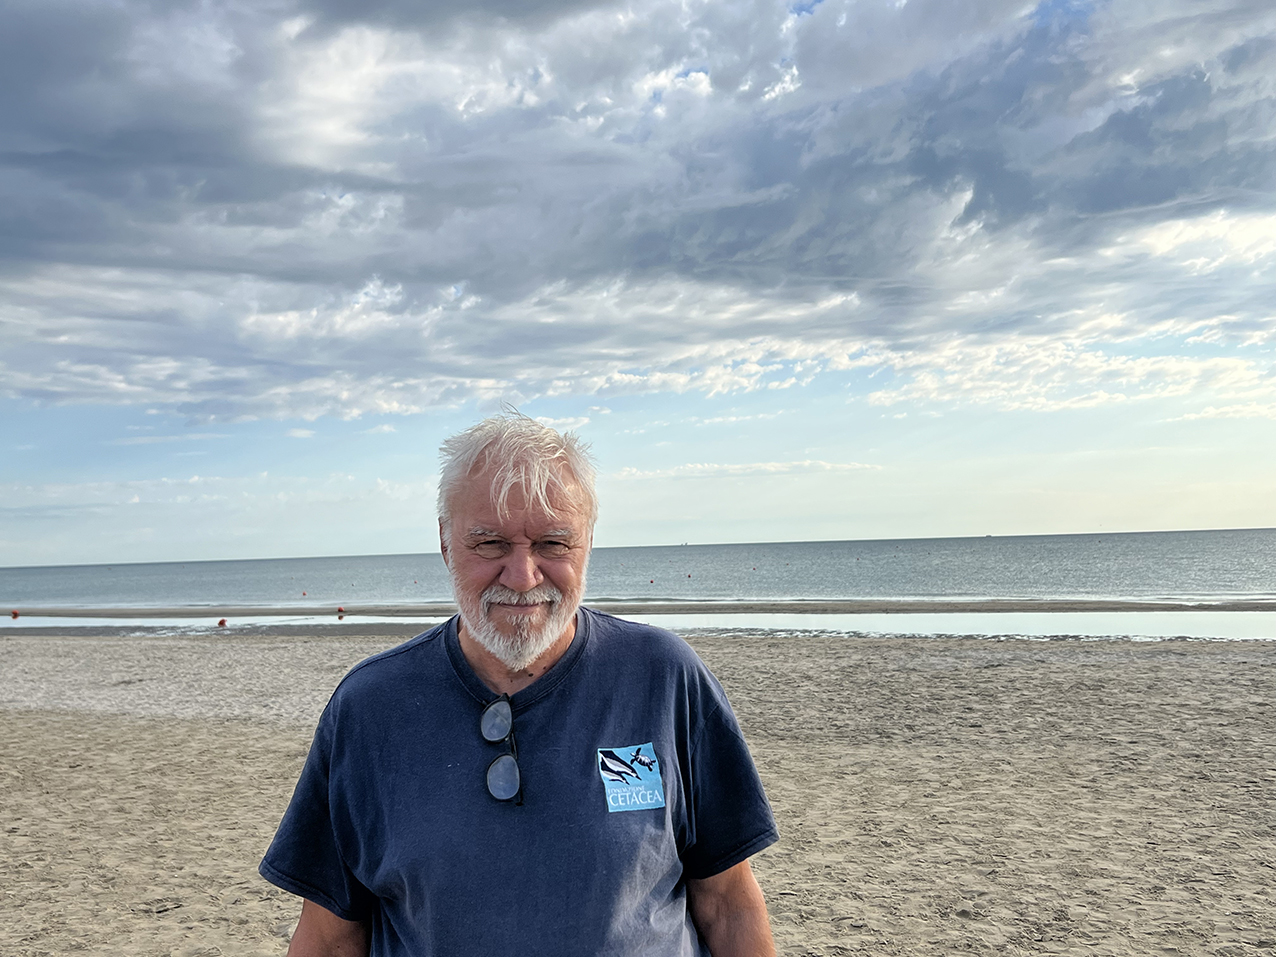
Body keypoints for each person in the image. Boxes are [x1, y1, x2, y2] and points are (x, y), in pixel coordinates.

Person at [260, 412, 778, 956]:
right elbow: (328, 936)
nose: (523, 576)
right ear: (444, 541)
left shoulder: (664, 676)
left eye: (554, 543)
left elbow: (728, 903)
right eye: (490, 544)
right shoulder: (370, 706)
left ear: (588, 543)